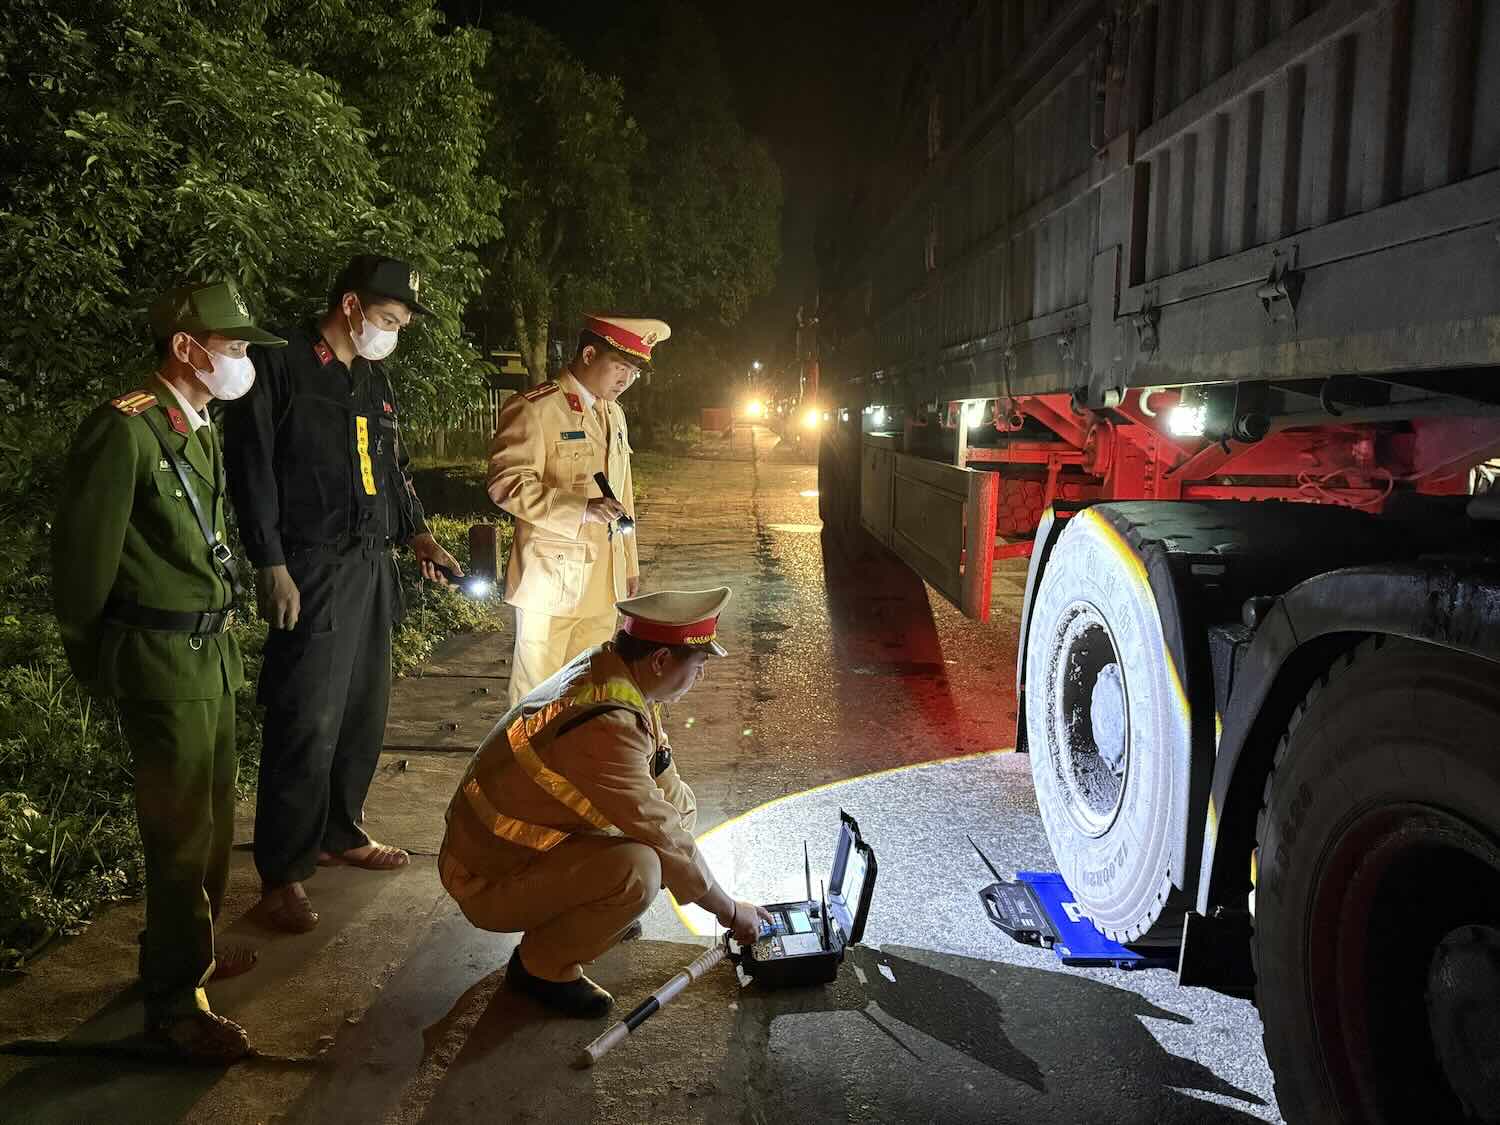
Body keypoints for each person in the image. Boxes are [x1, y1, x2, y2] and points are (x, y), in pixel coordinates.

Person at [52, 280, 288, 1063]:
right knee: (180, 832)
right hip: (159, 660)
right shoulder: (126, 431)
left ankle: (191, 951)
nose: (244, 361)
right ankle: (174, 1003)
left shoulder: (197, 425)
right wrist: (96, 661)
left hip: (208, 654)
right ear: (187, 348)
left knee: (215, 824)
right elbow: (82, 565)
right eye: (235, 347)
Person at [222, 254, 462, 933]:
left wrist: (418, 535)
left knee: (362, 704)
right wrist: (269, 563)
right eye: (388, 319)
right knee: (307, 714)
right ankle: (283, 871)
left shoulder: (373, 378)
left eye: (401, 325)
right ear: (351, 306)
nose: (393, 333)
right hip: (310, 564)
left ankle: (340, 829)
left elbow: (394, 467)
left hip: (369, 564)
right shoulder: (282, 365)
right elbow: (252, 470)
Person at [438, 586, 771, 1017]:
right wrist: (729, 911)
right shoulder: (605, 723)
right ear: (660, 661)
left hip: (510, 856)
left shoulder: (615, 674)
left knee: (674, 821)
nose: (701, 676)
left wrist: (687, 863)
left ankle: (591, 915)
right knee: (640, 869)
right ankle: (541, 966)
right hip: (486, 879)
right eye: (699, 664)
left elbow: (667, 799)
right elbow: (660, 833)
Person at [487, 315, 669, 706]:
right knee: (537, 697)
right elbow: (507, 484)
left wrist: (630, 565)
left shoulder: (613, 415)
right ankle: (523, 769)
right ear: (589, 354)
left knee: (588, 695)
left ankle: (574, 768)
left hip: (603, 583)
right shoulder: (536, 408)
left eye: (634, 372)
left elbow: (624, 495)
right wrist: (581, 509)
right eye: (620, 367)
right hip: (551, 582)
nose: (626, 380)